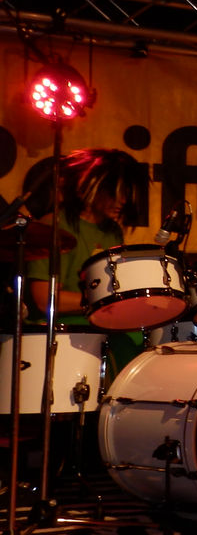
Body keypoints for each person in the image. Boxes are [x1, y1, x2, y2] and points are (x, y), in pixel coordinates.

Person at [23, 148, 147, 379]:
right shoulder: (53, 227)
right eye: (114, 192)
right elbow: (45, 299)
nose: (122, 200)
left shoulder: (112, 231)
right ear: (90, 187)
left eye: (126, 193)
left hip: (101, 325)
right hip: (61, 329)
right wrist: (102, 301)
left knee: (140, 337)